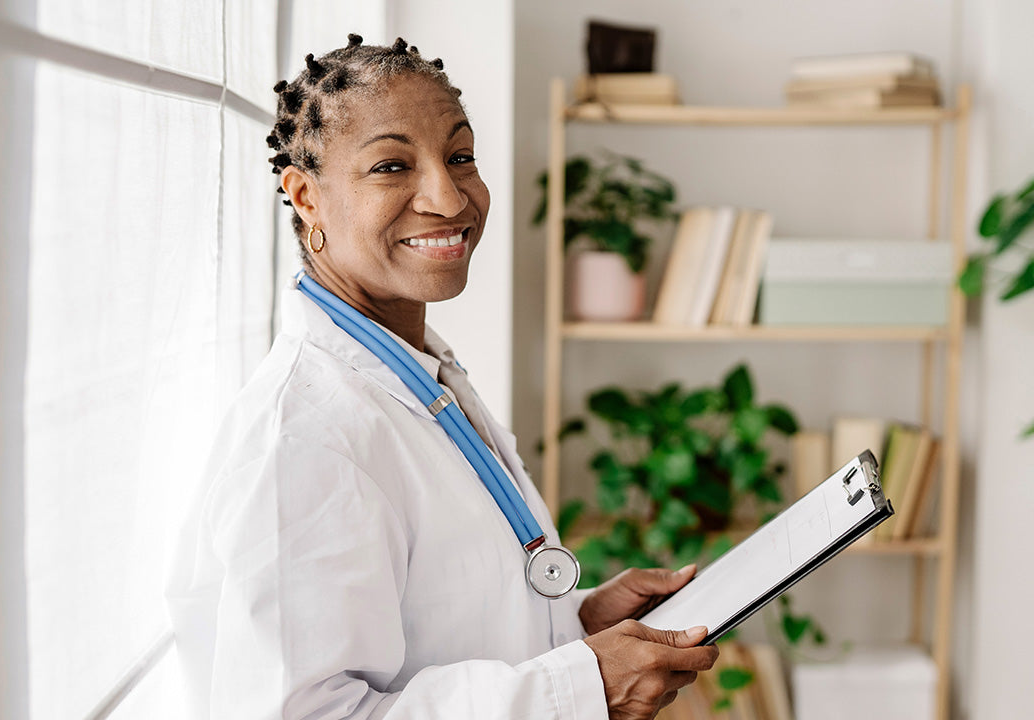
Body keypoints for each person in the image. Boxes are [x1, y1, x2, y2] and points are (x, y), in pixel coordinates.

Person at [167, 35, 717, 720]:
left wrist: (575, 625)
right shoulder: (307, 439)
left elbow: (434, 623)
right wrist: (581, 687)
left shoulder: (412, 369)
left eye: (460, 157)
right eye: (392, 166)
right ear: (306, 197)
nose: (449, 197)